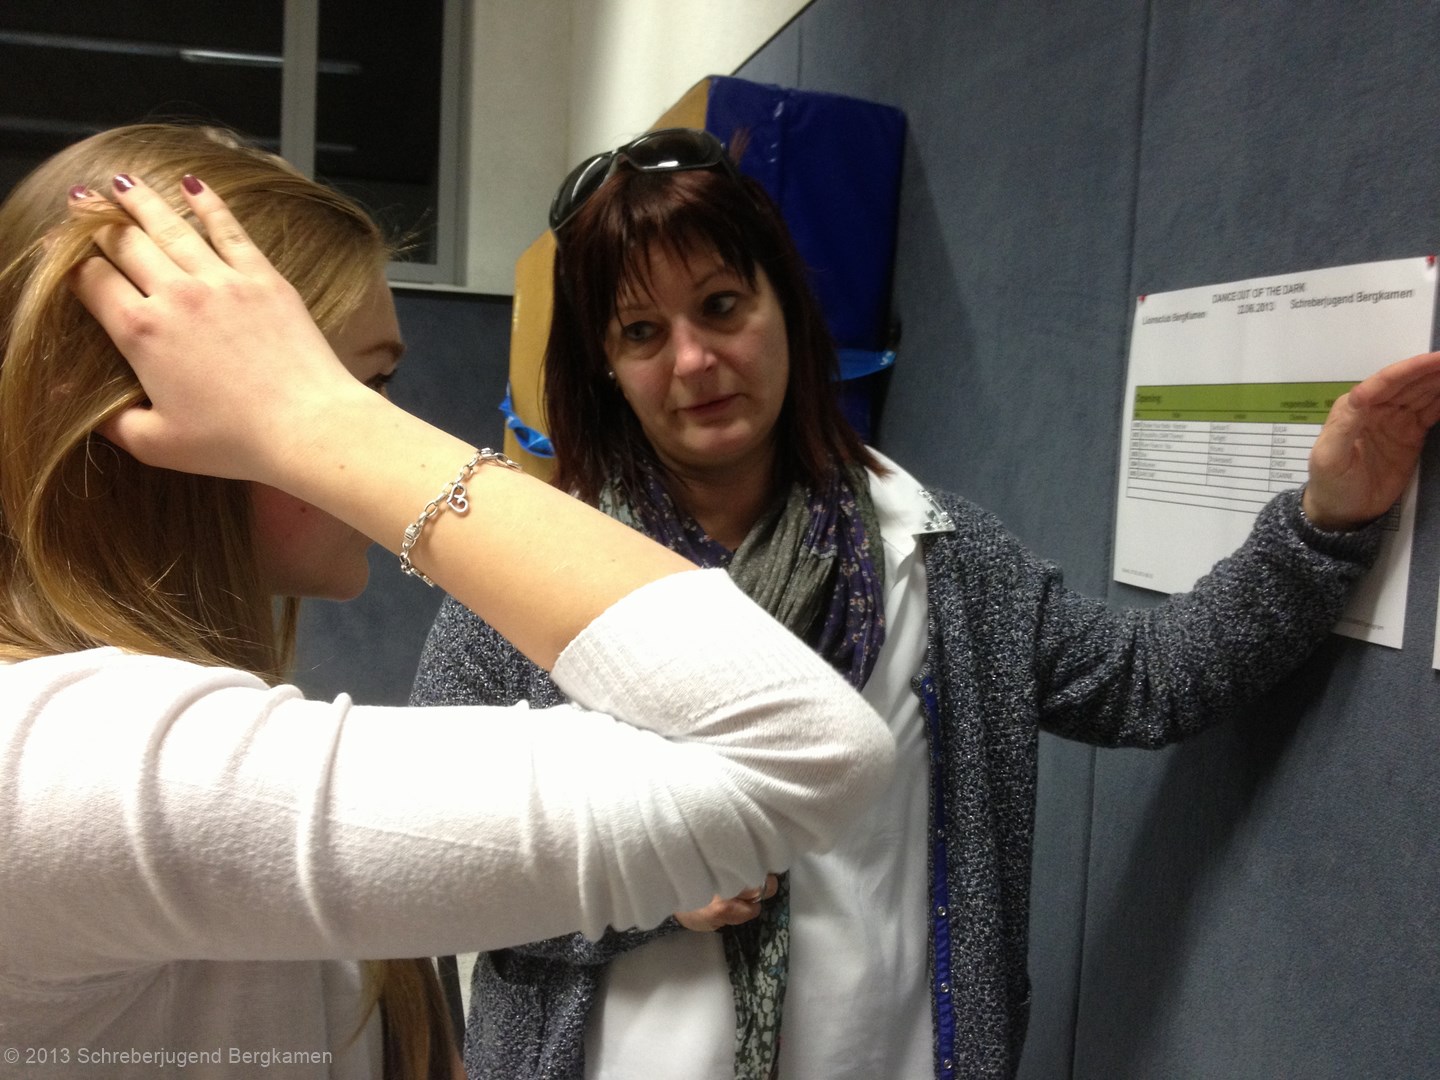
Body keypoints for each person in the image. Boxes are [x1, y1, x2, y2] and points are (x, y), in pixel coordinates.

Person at [409, 128, 1440, 1080]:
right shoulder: (528, 579)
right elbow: (434, 856)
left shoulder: (940, 562)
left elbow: (1148, 680)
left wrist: (1323, 522)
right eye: (643, 331)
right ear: (607, 365)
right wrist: (638, 888)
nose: (693, 360)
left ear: (782, 306)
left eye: (721, 306)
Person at [0, 124, 896, 1080]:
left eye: (370, 390)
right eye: (344, 386)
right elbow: (803, 752)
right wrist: (320, 420)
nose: (377, 424)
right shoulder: (67, 767)